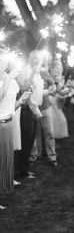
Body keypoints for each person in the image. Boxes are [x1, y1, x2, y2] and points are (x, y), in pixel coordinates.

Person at [0, 50, 31, 209]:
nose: (3, 63)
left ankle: (3, 188)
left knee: (6, 159)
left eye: (4, 60)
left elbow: (10, 106)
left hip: (8, 123)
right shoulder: (8, 79)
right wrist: (9, 78)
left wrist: (21, 100)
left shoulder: (10, 80)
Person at [15, 50, 44, 180]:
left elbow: (37, 92)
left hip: (33, 110)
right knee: (25, 142)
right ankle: (20, 171)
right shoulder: (27, 71)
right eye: (34, 58)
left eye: (39, 58)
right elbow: (26, 93)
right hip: (27, 110)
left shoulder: (36, 71)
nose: (37, 60)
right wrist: (36, 111)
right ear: (29, 58)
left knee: (30, 141)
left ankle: (24, 170)